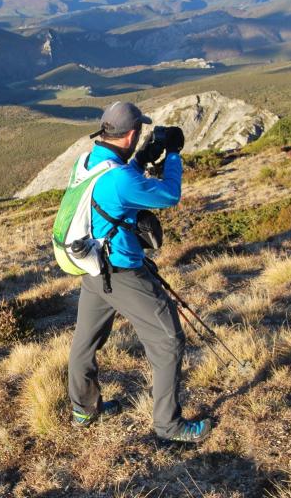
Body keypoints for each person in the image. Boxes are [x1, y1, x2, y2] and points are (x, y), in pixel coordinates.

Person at [67, 101, 212, 443]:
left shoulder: (88, 161)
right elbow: (169, 195)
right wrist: (173, 154)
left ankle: (83, 411)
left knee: (85, 343)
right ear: (131, 133)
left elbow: (119, 182)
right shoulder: (120, 179)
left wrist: (142, 158)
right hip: (122, 272)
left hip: (92, 267)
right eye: (140, 134)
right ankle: (169, 425)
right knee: (168, 340)